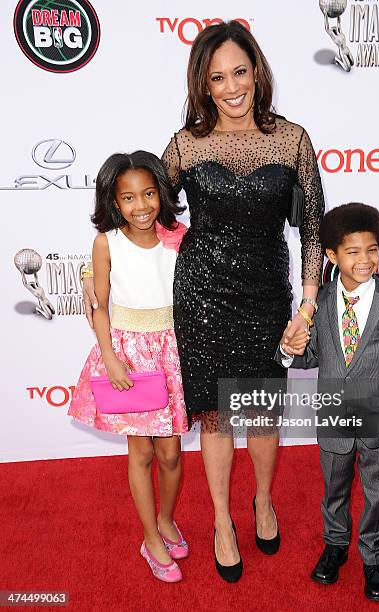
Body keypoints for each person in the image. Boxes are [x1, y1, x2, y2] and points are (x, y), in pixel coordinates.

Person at [83, 21, 324, 582]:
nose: (232, 86)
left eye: (240, 71)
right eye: (218, 77)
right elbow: (145, 212)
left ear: (257, 72)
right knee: (216, 416)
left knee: (262, 412)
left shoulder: (292, 139)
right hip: (202, 295)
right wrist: (102, 268)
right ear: (203, 84)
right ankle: (221, 521)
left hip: (267, 293)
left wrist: (307, 307)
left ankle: (262, 501)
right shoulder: (185, 145)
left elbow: (312, 226)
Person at [277, 203, 379, 602]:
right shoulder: (317, 303)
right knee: (334, 489)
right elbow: (310, 356)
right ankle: (335, 545)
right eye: (353, 251)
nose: (365, 260)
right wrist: (290, 349)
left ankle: (374, 558)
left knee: (378, 493)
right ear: (331, 256)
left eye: (372, 250)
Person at [69, 151, 189, 583]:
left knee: (171, 452)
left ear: (161, 193)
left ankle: (166, 519)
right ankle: (150, 539)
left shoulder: (178, 236)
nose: (141, 206)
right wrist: (110, 358)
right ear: (113, 202)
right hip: (128, 353)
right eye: (128, 198)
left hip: (173, 352)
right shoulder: (107, 242)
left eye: (149, 194)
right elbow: (98, 305)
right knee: (140, 452)